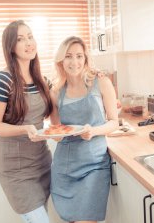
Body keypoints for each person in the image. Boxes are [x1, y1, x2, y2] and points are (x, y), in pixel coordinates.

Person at [0, 20, 53, 223]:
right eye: (20, 39)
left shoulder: (43, 80)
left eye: (30, 36)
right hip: (16, 169)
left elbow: (58, 111)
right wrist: (24, 129)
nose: (28, 43)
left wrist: (91, 77)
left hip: (42, 162)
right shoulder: (3, 80)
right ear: (11, 47)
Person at [49, 36, 119, 223]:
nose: (75, 62)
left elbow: (114, 122)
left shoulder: (101, 82)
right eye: (69, 56)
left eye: (79, 56)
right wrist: (47, 133)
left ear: (85, 59)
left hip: (93, 166)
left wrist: (94, 131)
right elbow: (56, 133)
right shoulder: (56, 92)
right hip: (64, 168)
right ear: (61, 60)